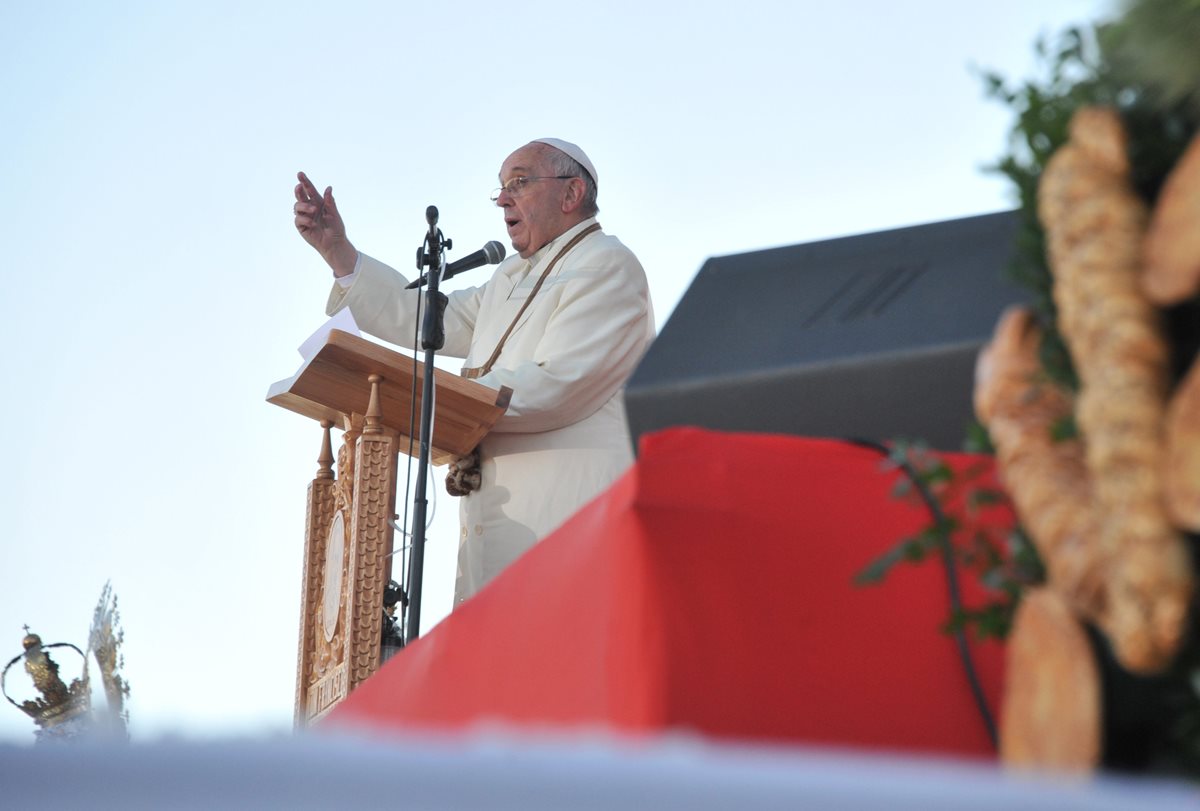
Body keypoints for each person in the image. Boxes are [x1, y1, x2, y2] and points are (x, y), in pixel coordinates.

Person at [293, 138, 655, 605]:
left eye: (520, 183)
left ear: (572, 194)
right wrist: (339, 253)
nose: (504, 199)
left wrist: (429, 402)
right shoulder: (508, 278)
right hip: (497, 543)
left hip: (571, 524)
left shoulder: (607, 263)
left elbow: (560, 383)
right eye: (501, 189)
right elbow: (422, 317)